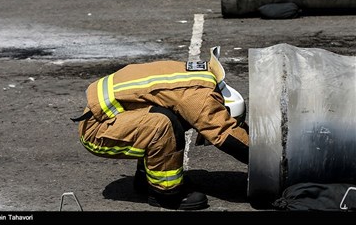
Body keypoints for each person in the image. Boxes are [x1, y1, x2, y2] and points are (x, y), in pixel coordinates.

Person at [72, 46, 249, 210]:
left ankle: (145, 178)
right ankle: (165, 193)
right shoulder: (201, 98)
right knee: (164, 126)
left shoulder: (200, 75)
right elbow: (226, 134)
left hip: (104, 117)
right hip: (96, 131)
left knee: (165, 115)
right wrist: (264, 160)